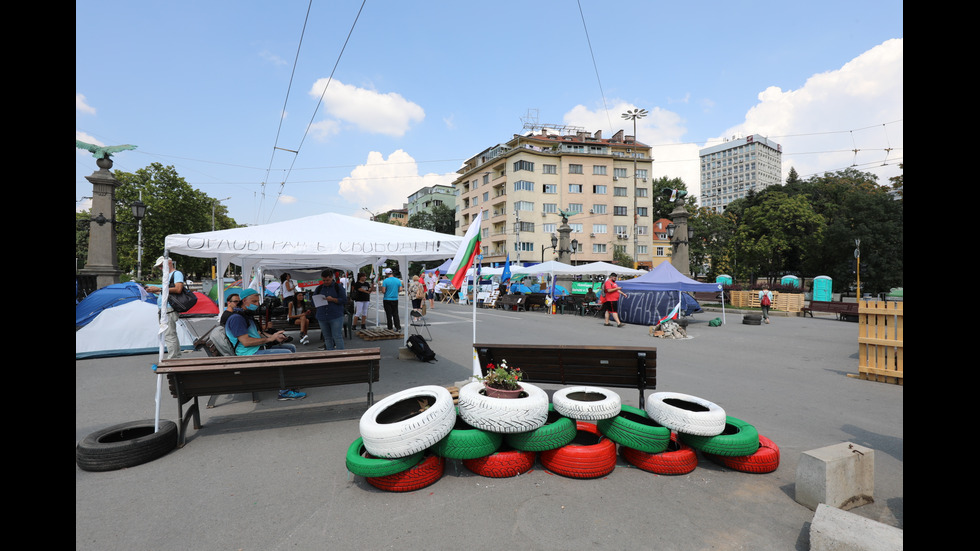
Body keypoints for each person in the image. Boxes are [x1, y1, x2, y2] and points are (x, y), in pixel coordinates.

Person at [224, 289, 304, 400]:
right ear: (244, 301)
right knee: (286, 353)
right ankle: (284, 392)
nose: (257, 304)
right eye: (254, 301)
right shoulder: (237, 318)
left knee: (291, 347)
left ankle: (288, 383)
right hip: (248, 353)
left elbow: (258, 334)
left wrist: (275, 337)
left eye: (257, 301)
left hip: (255, 349)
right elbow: (246, 342)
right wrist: (269, 339)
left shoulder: (245, 315)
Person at [145, 256, 185, 359]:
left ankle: (173, 358)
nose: (160, 269)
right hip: (165, 308)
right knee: (170, 334)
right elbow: (166, 291)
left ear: (169, 263)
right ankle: (176, 356)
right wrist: (155, 290)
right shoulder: (168, 275)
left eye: (161, 266)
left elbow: (178, 289)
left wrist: (158, 288)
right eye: (159, 267)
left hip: (169, 308)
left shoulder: (176, 274)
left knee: (169, 334)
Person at [314, 270, 347, 350]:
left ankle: (340, 357)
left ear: (332, 278)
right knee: (327, 338)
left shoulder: (338, 287)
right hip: (322, 316)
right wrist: (317, 300)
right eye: (324, 280)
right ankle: (330, 356)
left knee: (337, 337)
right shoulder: (319, 288)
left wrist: (333, 299)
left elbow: (344, 300)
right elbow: (313, 302)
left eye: (327, 280)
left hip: (335, 316)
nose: (326, 282)